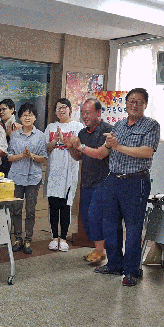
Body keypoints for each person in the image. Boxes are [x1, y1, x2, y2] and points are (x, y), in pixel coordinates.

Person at [93, 88, 160, 287]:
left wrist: (118, 146)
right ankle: (114, 264)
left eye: (138, 101)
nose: (134, 104)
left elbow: (147, 152)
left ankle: (131, 270)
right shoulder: (119, 125)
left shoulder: (151, 125)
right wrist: (107, 144)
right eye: (131, 101)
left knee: (132, 227)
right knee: (110, 224)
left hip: (135, 181)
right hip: (113, 180)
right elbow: (105, 152)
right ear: (126, 103)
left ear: (145, 104)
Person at [65, 98, 113, 264]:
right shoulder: (83, 133)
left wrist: (80, 147)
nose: (84, 116)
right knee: (85, 217)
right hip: (86, 181)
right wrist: (71, 147)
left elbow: (100, 153)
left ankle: (101, 251)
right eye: (83, 112)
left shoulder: (107, 131)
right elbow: (79, 156)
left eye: (88, 112)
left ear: (98, 113)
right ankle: (98, 250)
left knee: (95, 216)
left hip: (103, 181)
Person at [44, 98, 84, 252]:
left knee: (65, 206)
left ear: (70, 109)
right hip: (54, 172)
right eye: (58, 108)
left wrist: (66, 141)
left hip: (69, 173)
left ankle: (63, 238)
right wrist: (55, 141)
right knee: (53, 205)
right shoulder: (51, 127)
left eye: (64, 107)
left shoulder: (77, 127)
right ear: (55, 111)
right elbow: (45, 149)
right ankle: (54, 237)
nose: (61, 110)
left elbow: (80, 149)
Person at [8, 103, 47, 253]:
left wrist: (31, 156)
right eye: (24, 115)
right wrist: (22, 156)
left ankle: (28, 240)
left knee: (30, 210)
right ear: (20, 117)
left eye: (30, 115)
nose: (27, 117)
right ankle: (18, 239)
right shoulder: (15, 135)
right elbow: (10, 157)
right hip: (16, 177)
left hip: (33, 178)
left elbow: (43, 157)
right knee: (16, 210)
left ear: (35, 117)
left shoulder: (40, 136)